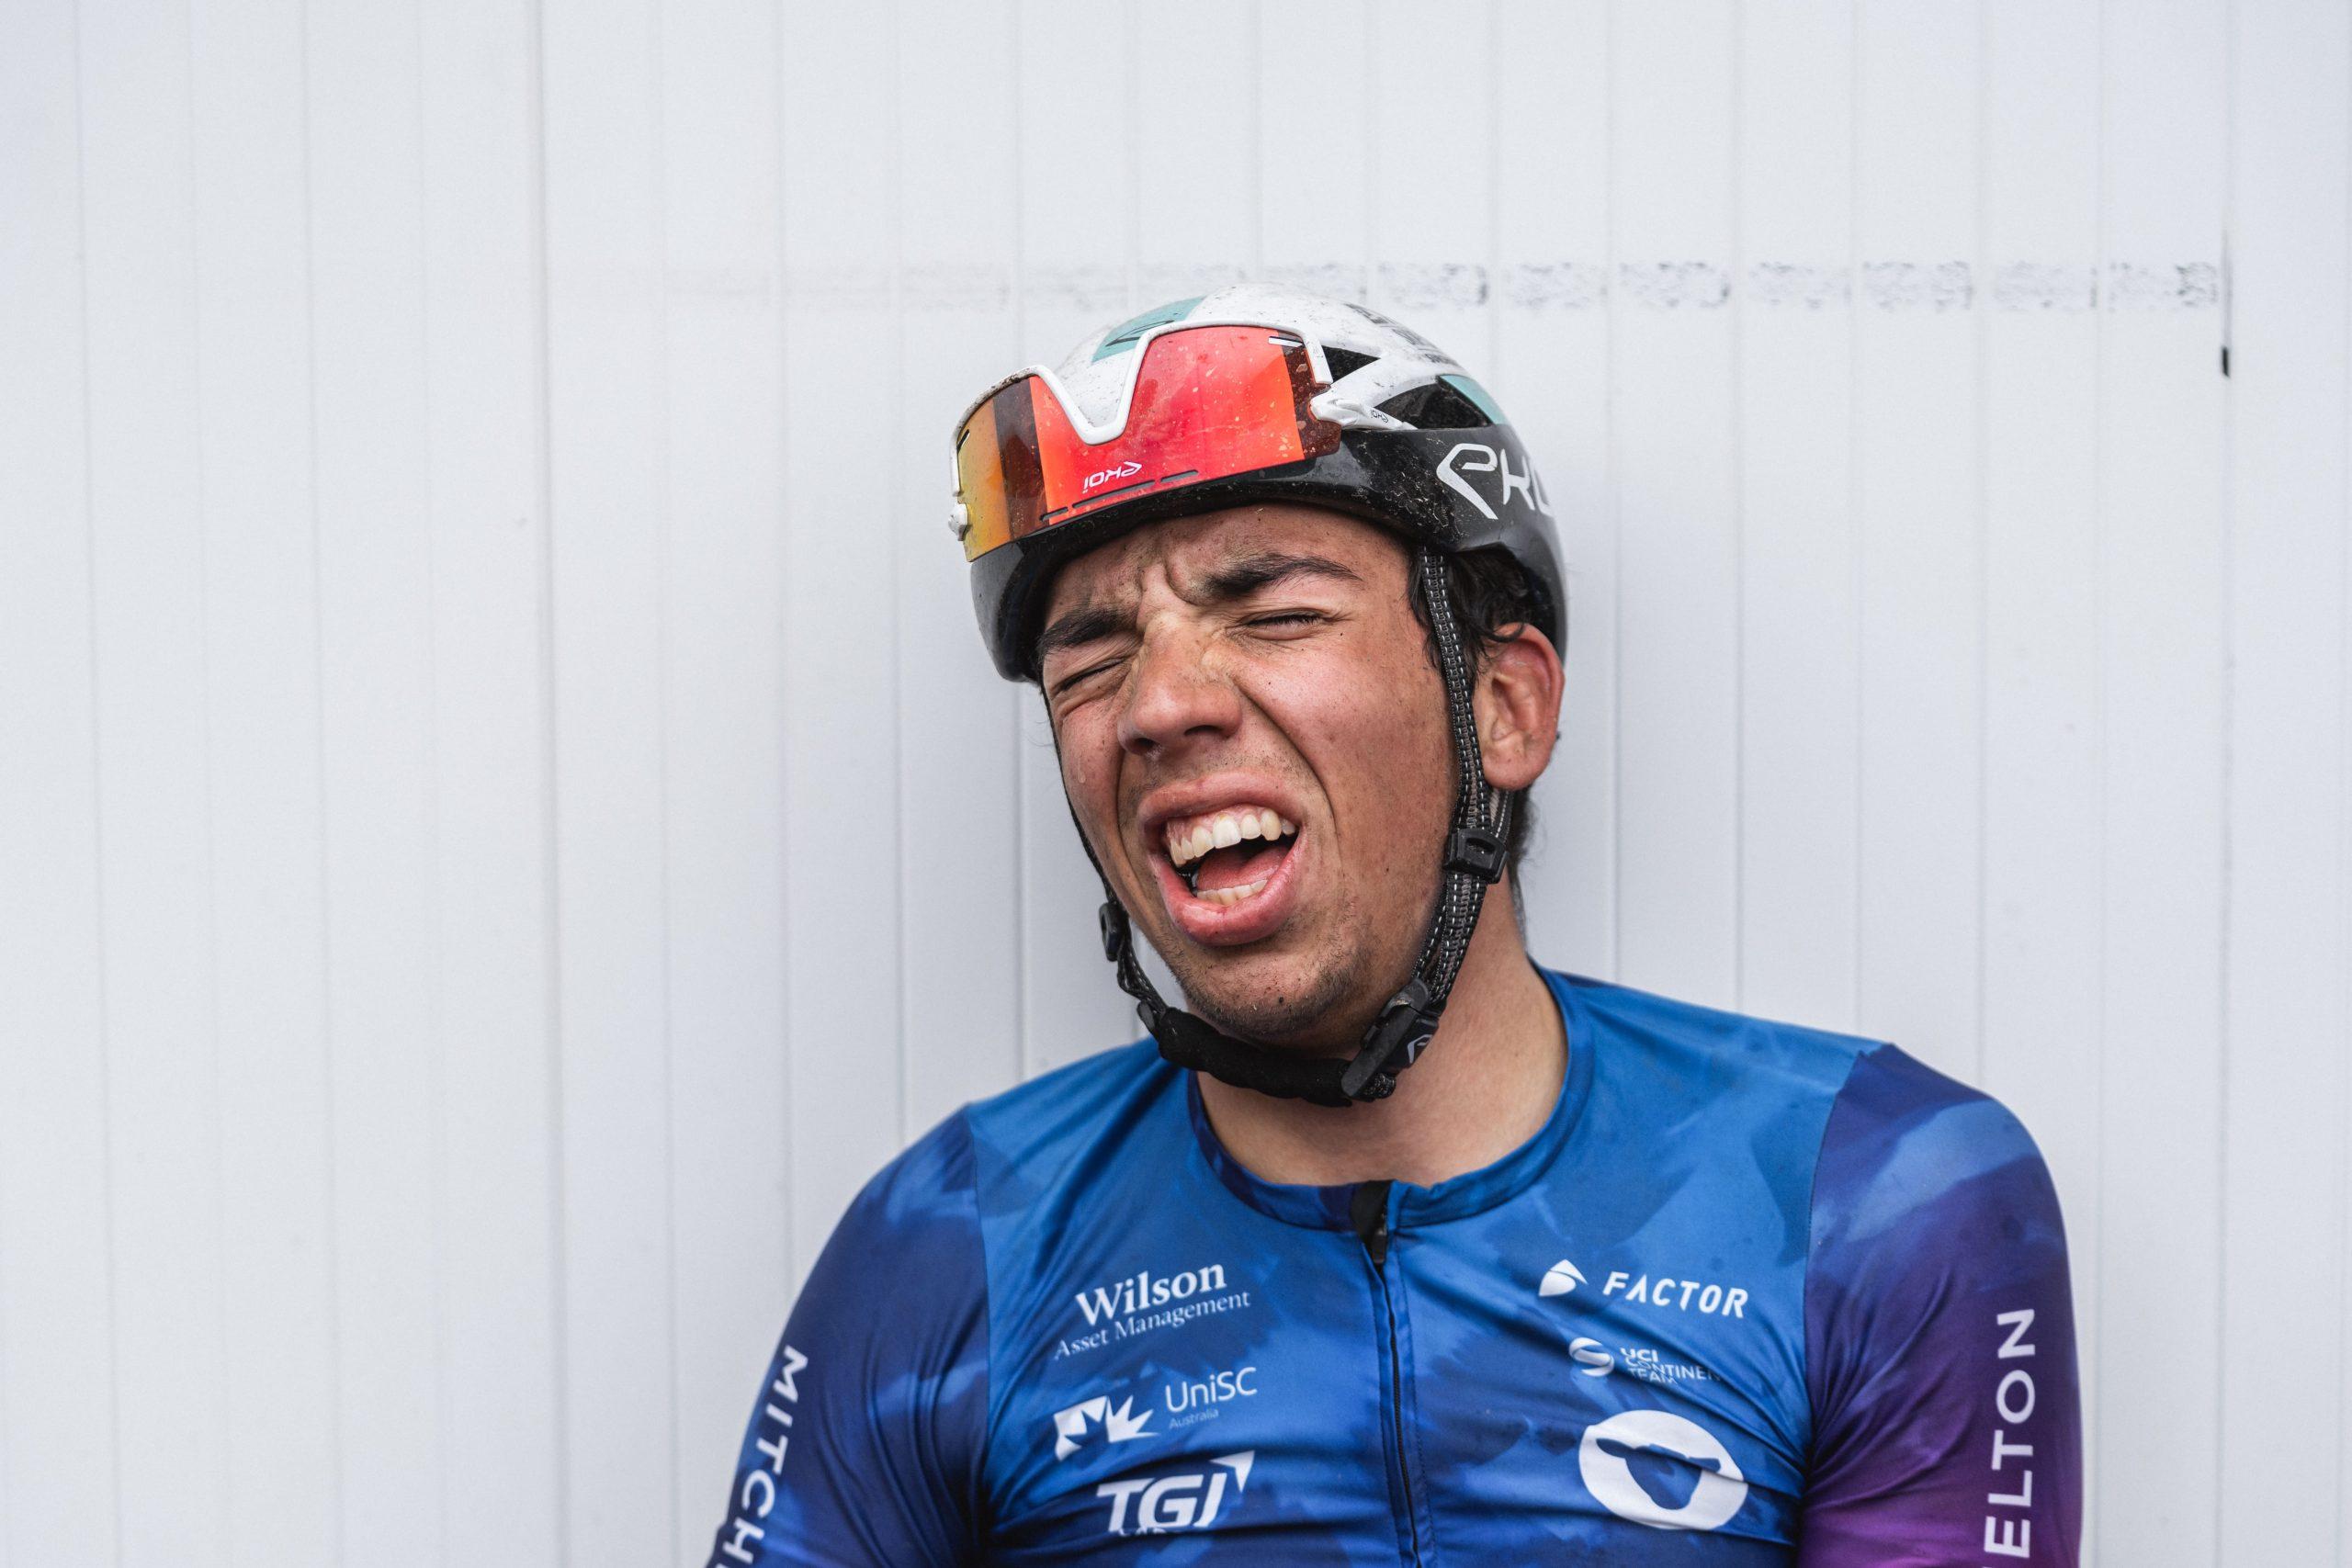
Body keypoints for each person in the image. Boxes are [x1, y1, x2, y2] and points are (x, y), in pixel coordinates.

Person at [704, 285, 2081, 1564]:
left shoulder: (1876, 1195)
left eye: (1276, 611)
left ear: (1506, 707)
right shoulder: (948, 1247)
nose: (1161, 705)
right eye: (1093, 660)